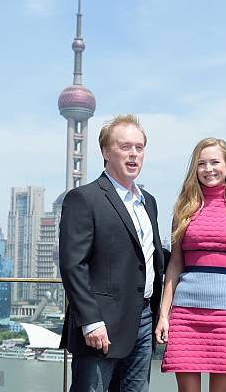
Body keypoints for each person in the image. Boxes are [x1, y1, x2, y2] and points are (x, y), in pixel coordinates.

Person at [59, 114, 165, 392]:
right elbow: (73, 265)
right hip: (100, 326)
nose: (133, 155)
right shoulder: (84, 198)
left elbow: (147, 255)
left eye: (139, 148)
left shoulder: (148, 202)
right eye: (125, 147)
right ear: (106, 152)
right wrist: (91, 322)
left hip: (143, 321)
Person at [155, 137, 226, 392]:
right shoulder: (184, 208)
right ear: (194, 169)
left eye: (214, 162)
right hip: (185, 314)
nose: (208, 169)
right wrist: (164, 315)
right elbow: (175, 265)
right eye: (201, 164)